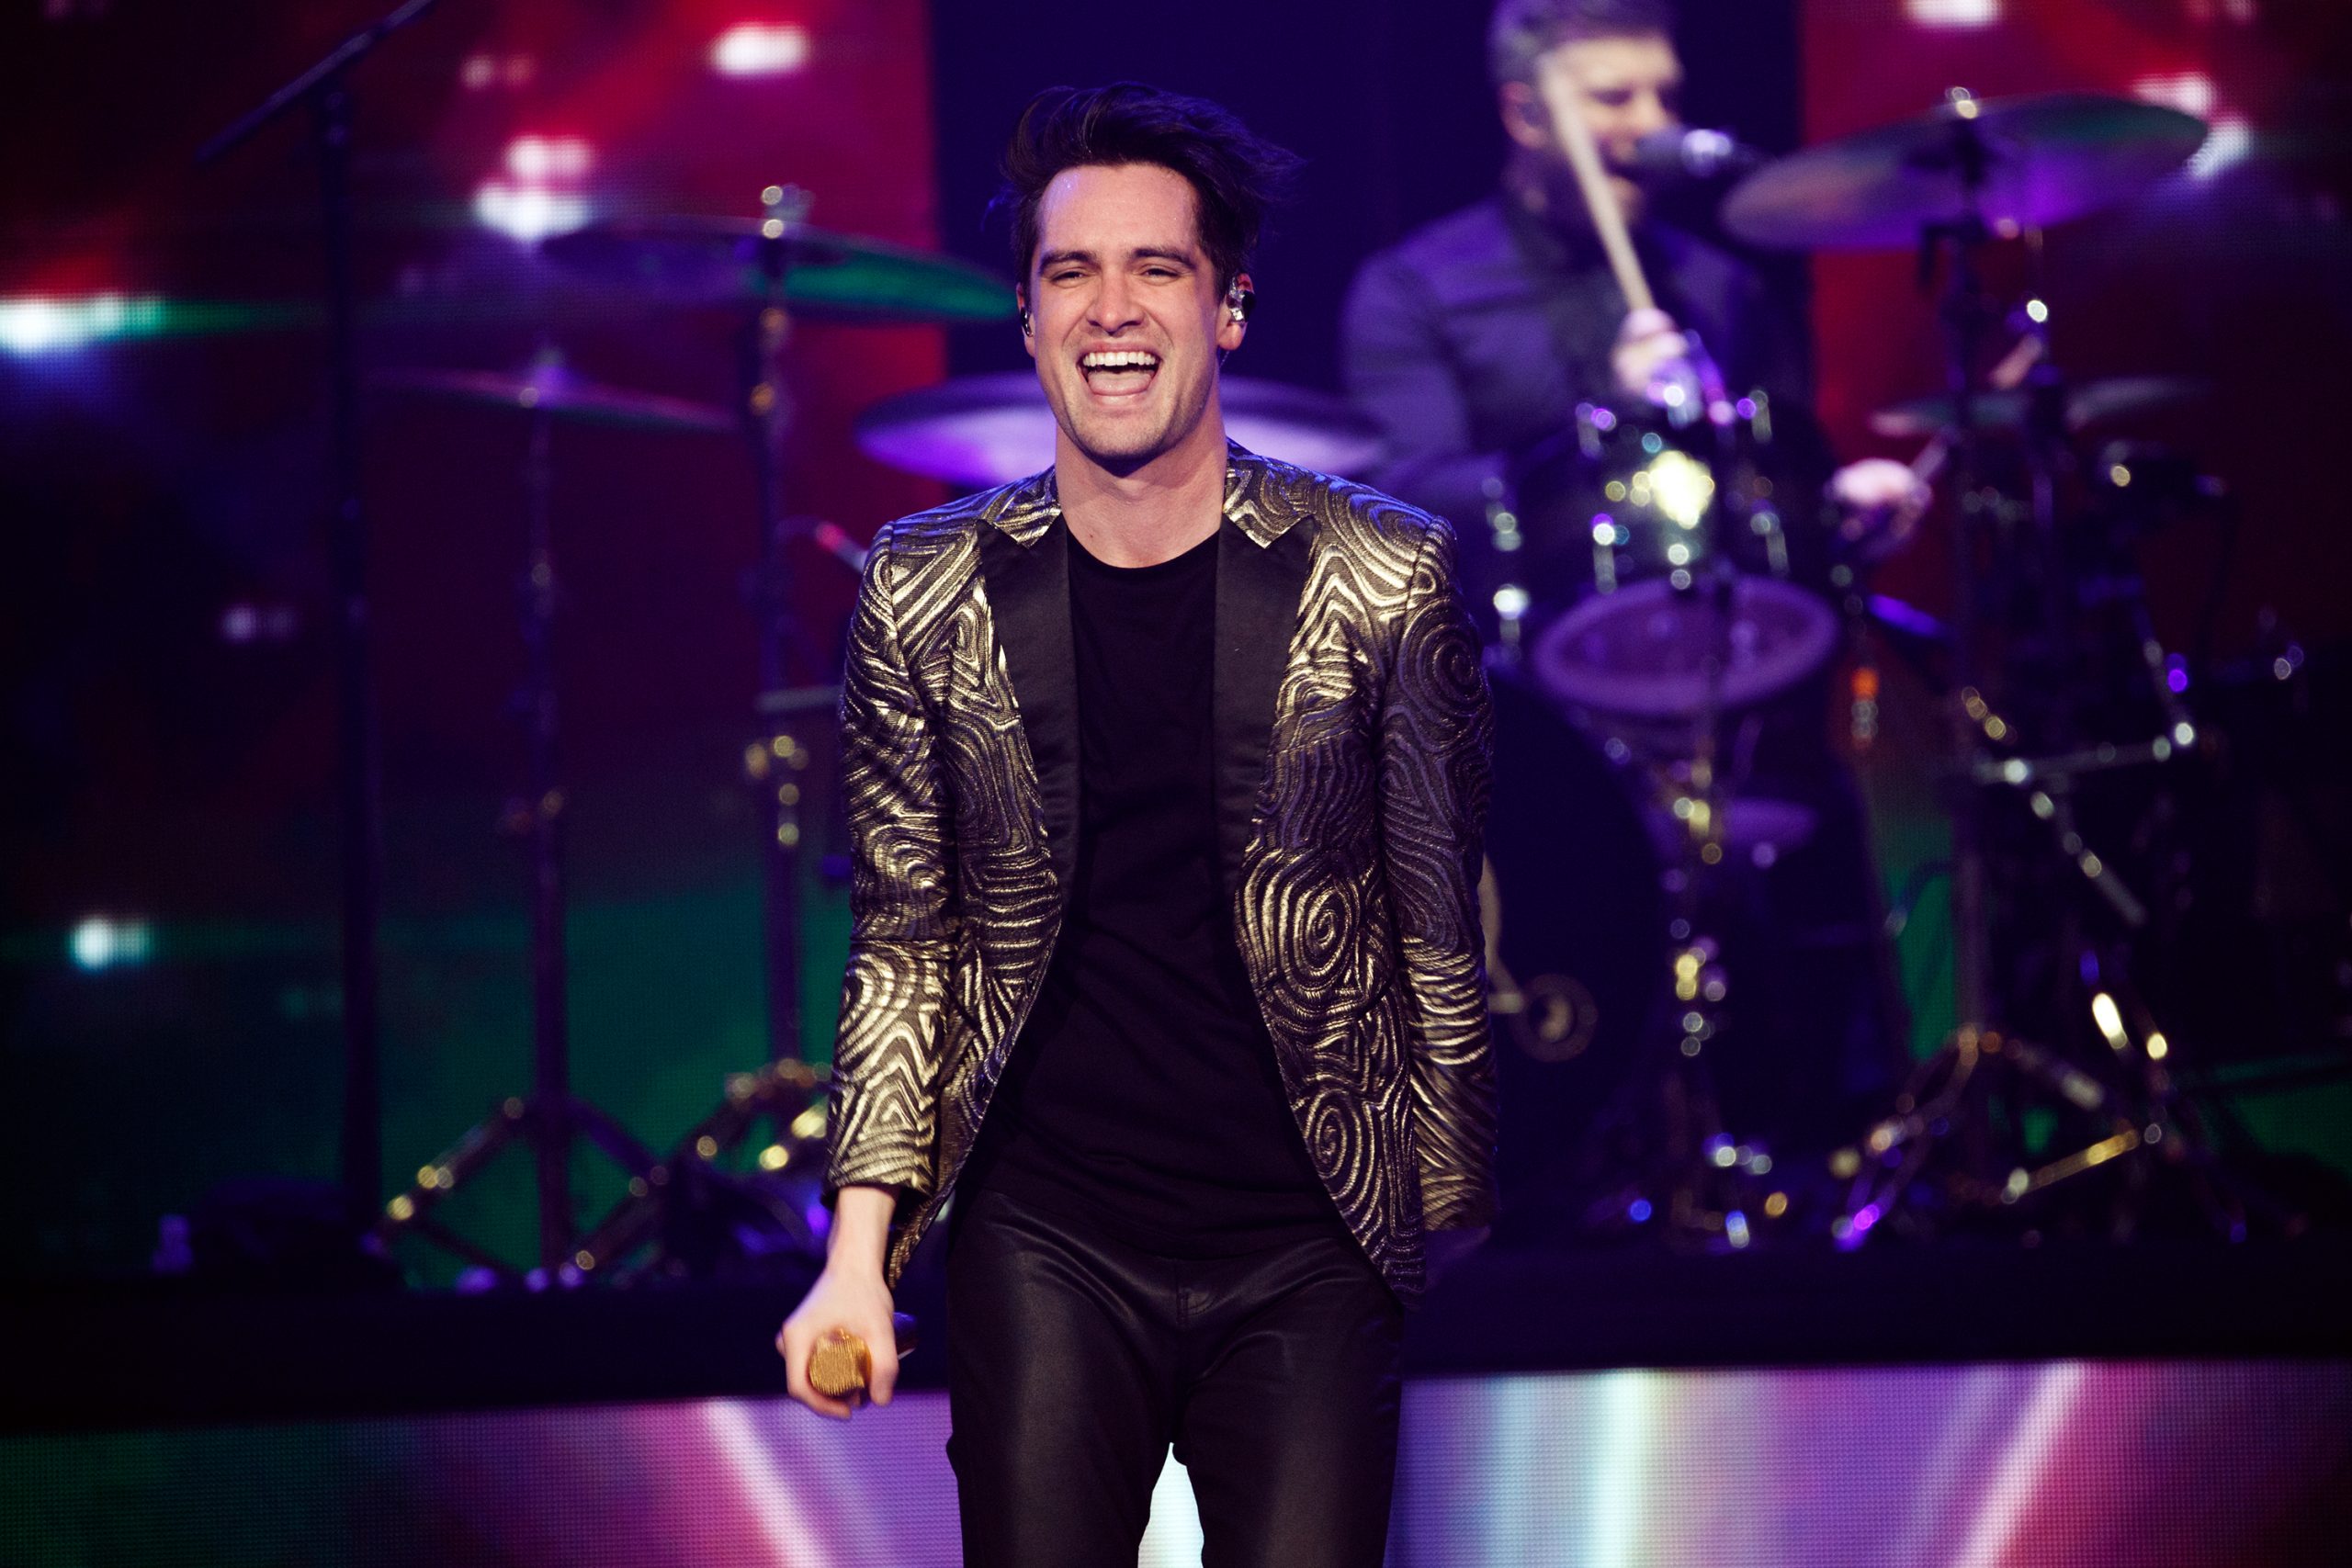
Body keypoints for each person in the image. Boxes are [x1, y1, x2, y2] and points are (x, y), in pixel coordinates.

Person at [775, 83, 1498, 1568]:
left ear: (1227, 309)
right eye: (1071, 272)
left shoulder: (1383, 577)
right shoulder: (925, 589)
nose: (1112, 309)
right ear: (1029, 319)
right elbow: (905, 942)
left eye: (1156, 268)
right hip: (1046, 1232)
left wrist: (1442, 1203)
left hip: (1307, 1238)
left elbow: (1435, 915)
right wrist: (856, 1261)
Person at [1340, 0, 1915, 1216]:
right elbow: (1402, 495)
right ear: (1523, 113)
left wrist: (1835, 500)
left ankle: (1841, 1159)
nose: (1651, 124)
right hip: (1524, 702)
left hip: (1730, 681)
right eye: (1613, 98)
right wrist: (1590, 414)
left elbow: (1775, 492)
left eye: (1663, 95)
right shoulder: (1419, 289)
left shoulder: (1722, 288)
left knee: (1824, 817)